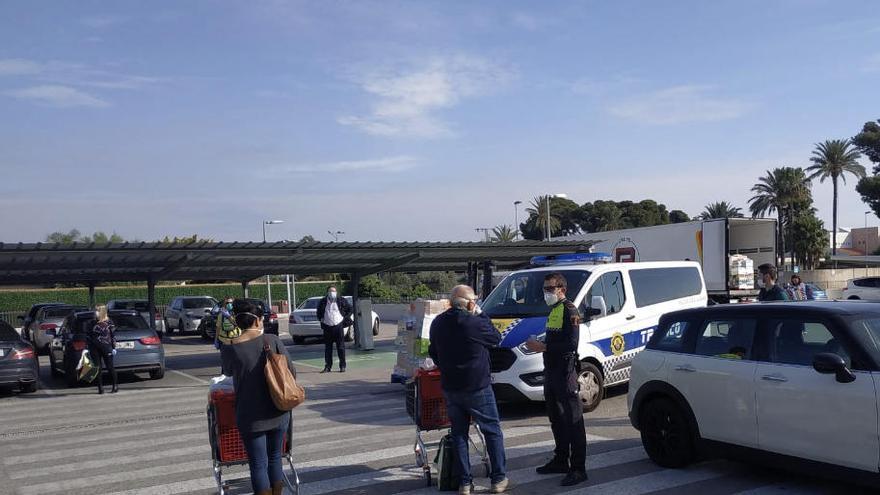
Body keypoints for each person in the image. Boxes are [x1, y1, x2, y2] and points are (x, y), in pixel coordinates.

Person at [428, 285, 509, 495]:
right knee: (492, 431)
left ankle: (465, 483)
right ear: (471, 303)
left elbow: (433, 353)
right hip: (477, 386)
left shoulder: (437, 323)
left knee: (459, 434)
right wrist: (481, 314)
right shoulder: (474, 323)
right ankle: (498, 479)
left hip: (451, 387)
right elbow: (495, 337)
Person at [220, 299, 297, 495]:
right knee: (274, 458)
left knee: (258, 464)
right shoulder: (272, 341)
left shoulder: (229, 348)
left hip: (250, 415)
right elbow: (292, 372)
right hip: (278, 411)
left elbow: (227, 373)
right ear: (257, 321)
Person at [524, 272, 588, 487]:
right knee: (556, 417)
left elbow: (572, 343)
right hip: (551, 371)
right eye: (544, 289)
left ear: (562, 289)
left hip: (565, 371)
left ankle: (578, 469)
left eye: (550, 289)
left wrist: (542, 347)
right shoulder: (553, 310)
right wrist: (538, 344)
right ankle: (561, 459)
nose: (546, 293)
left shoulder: (570, 310)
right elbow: (554, 336)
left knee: (573, 420)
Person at [316, 285, 352, 373]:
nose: (332, 293)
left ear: (336, 292)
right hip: (327, 326)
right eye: (330, 291)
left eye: (334, 291)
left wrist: (345, 317)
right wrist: (320, 318)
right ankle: (328, 367)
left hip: (338, 326)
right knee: (328, 348)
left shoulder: (341, 300)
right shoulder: (323, 301)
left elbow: (350, 309)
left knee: (341, 347)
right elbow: (318, 311)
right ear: (327, 292)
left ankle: (342, 366)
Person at [87, 305, 118, 394]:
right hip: (94, 348)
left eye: (97, 311)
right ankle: (100, 387)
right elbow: (88, 335)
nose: (95, 312)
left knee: (110, 367)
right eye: (95, 310)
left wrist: (113, 347)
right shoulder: (92, 323)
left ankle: (115, 386)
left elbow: (113, 336)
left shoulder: (109, 322)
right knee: (97, 368)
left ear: (102, 312)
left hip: (107, 347)